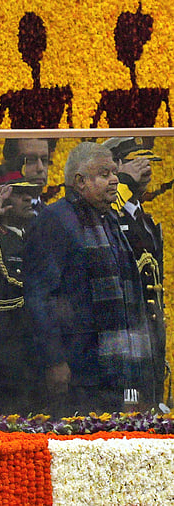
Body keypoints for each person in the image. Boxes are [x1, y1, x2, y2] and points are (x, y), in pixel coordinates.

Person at [24, 142, 153, 415]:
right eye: (105, 174)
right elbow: (40, 296)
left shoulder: (108, 219)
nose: (115, 179)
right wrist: (54, 361)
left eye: (115, 173)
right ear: (80, 181)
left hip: (110, 370)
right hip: (77, 368)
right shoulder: (56, 220)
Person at [0, 170, 45, 415]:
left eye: (31, 194)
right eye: (19, 193)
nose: (28, 199)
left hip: (34, 352)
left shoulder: (38, 234)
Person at [103, 136, 167, 406]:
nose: (146, 168)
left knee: (151, 403)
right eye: (135, 162)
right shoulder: (110, 215)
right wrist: (124, 182)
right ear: (116, 167)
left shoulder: (147, 220)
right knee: (129, 406)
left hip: (149, 329)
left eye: (148, 161)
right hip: (123, 330)